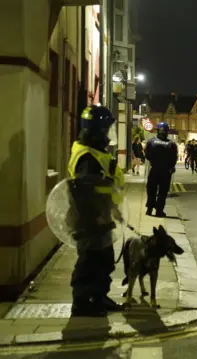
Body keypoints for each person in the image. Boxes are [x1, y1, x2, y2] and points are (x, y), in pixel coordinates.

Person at [67, 105, 124, 316]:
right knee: (89, 261)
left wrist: (113, 209)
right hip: (90, 219)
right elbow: (85, 191)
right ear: (98, 130)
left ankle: (99, 296)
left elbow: (103, 186)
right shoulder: (87, 158)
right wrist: (98, 216)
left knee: (104, 259)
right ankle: (82, 303)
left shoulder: (94, 153)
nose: (109, 134)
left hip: (100, 215)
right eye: (107, 129)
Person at [144, 122, 178, 217]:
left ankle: (149, 209)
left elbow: (147, 155)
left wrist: (154, 161)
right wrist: (171, 166)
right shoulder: (171, 144)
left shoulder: (151, 142)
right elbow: (174, 158)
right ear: (167, 132)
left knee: (151, 190)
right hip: (166, 172)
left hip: (154, 169)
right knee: (162, 192)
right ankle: (159, 210)